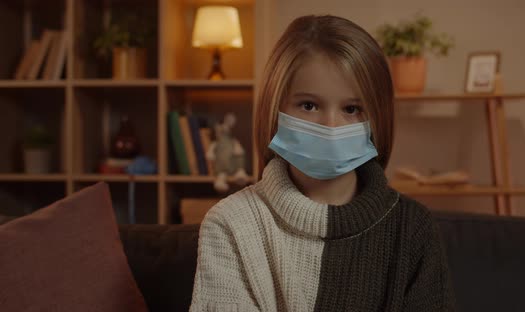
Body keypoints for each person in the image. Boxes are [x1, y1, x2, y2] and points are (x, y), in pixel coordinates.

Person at [189, 14, 455, 311]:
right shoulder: (230, 224)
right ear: (274, 107)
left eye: (352, 109)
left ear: (378, 117)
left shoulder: (413, 229)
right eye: (309, 105)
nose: (331, 126)